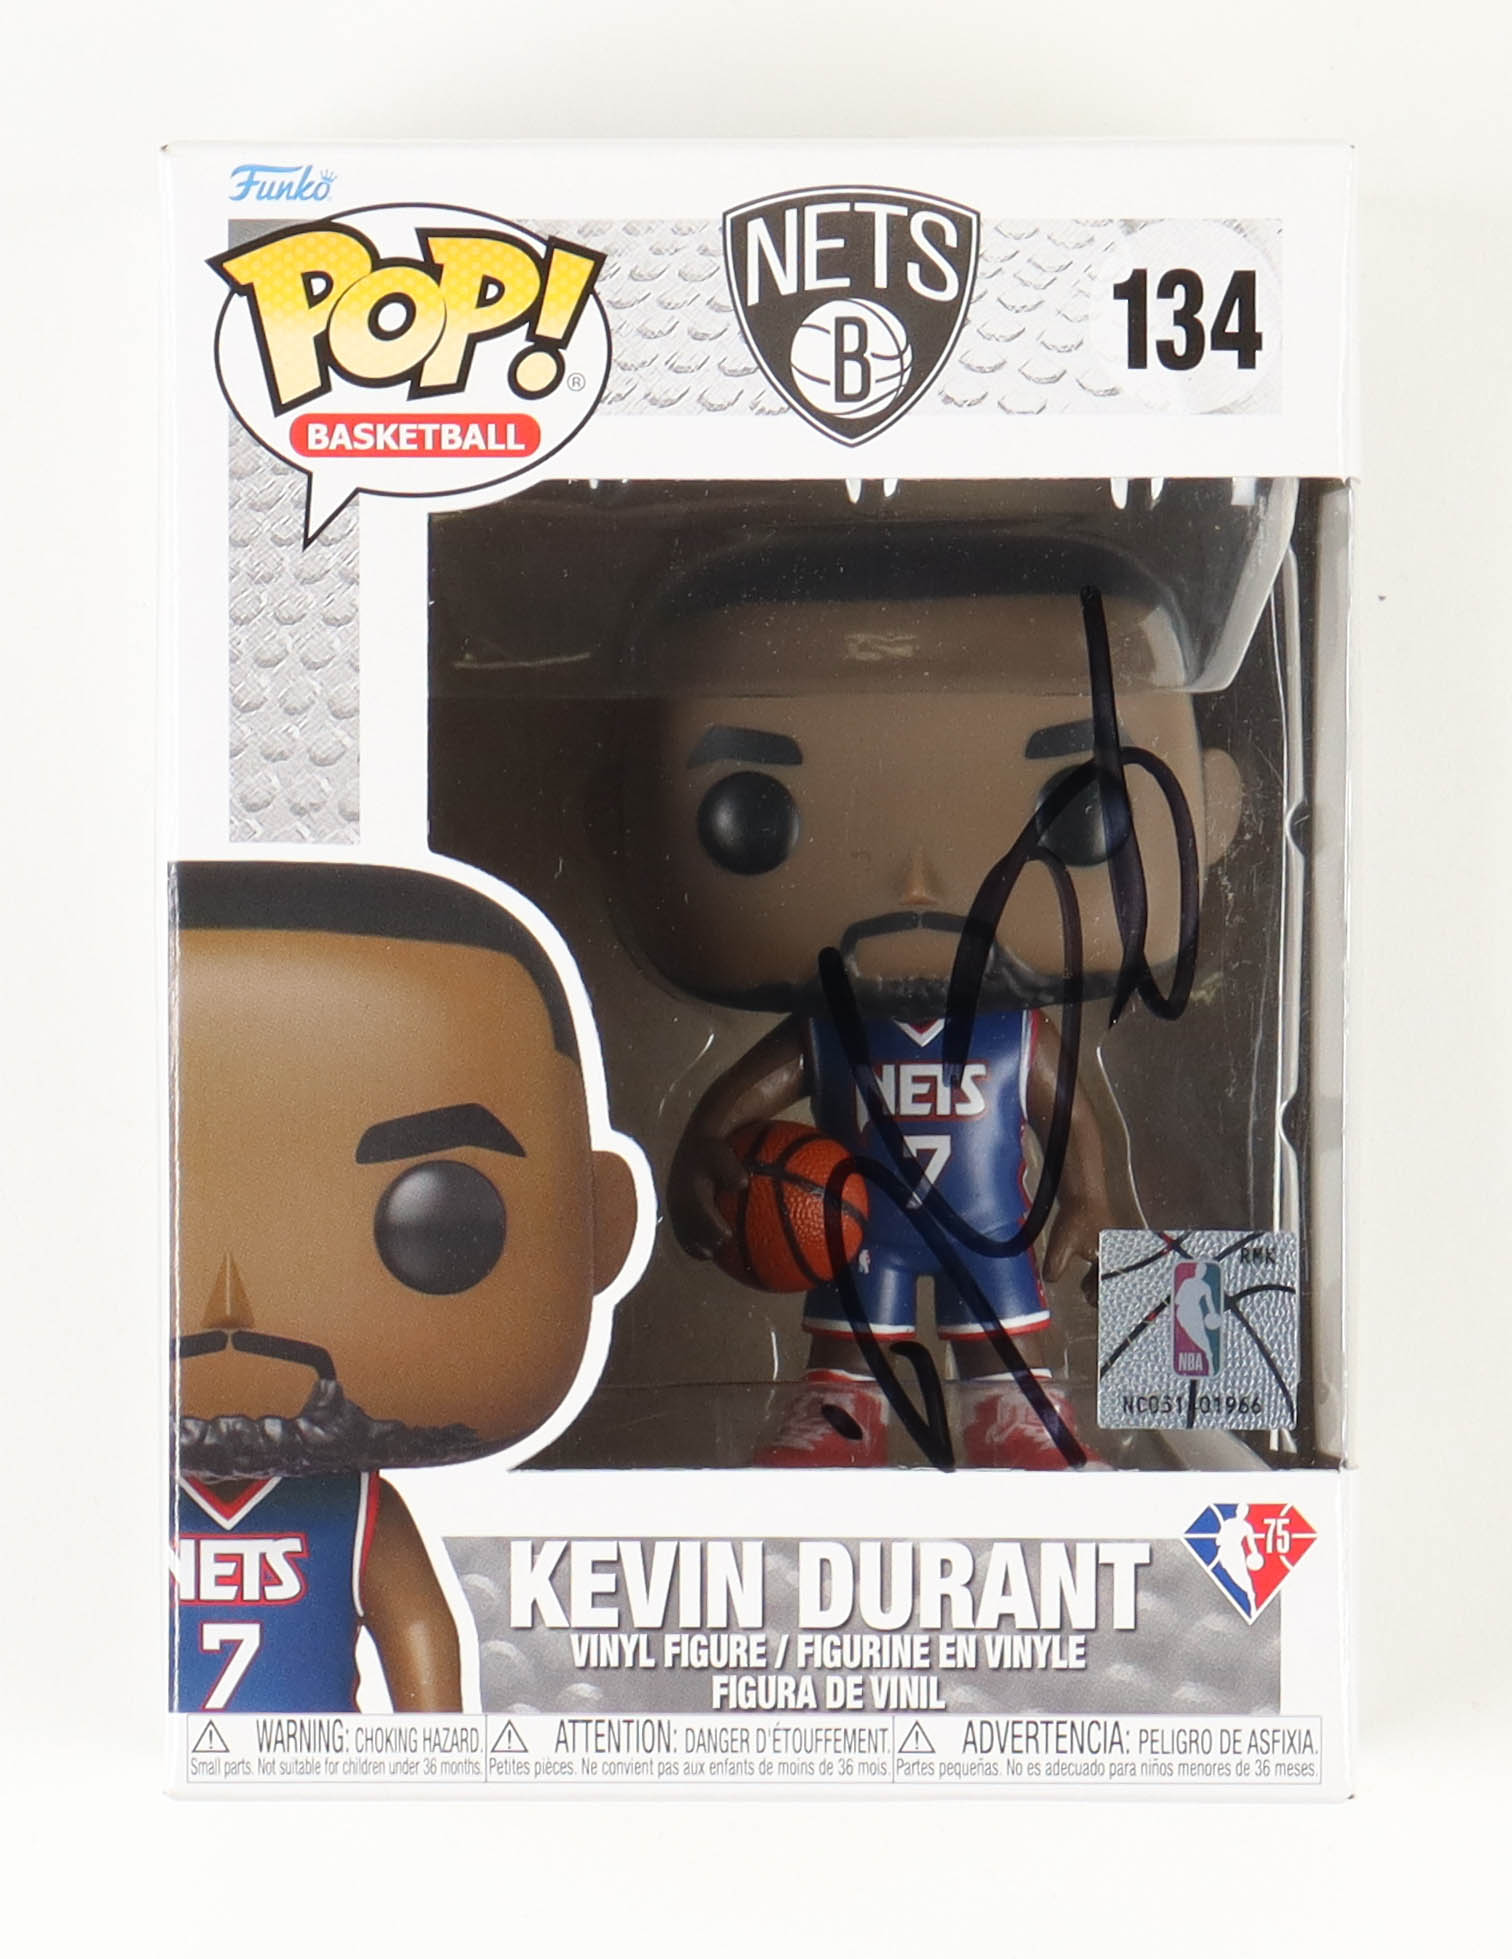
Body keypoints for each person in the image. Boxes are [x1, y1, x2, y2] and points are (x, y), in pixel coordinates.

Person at [619, 528, 1242, 1467]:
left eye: (1082, 811)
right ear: (620, 823)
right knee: (848, 1345)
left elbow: (1070, 1119)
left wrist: (1091, 1195)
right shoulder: (832, 1031)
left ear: (1215, 812)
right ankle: (841, 1417)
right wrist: (701, 1155)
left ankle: (1013, 1414)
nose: (915, 879)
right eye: (753, 812)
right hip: (853, 1223)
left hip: (988, 1226)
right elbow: (730, 1106)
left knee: (1002, 1341)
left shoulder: (1012, 1030)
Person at [171, 859, 642, 1711]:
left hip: (316, 1787)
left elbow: (423, 1634)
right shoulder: (98, 1508)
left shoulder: (359, 1512)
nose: (229, 1305)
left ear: (599, 1223)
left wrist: (435, 1765)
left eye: (432, 1218)